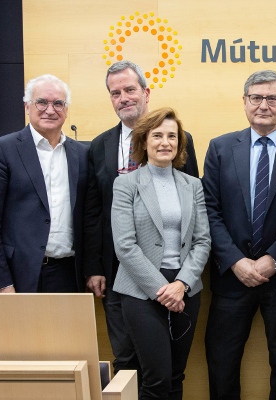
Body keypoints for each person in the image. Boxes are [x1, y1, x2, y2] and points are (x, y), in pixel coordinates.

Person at [84, 60, 199, 380]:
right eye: (115, 93)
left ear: (146, 92)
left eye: (130, 89)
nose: (123, 98)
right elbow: (93, 212)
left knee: (167, 367)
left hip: (172, 273)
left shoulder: (179, 139)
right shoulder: (99, 146)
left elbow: (193, 215)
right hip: (116, 271)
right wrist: (94, 266)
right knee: (125, 359)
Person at [202, 70, 276, 400]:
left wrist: (274, 260)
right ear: (245, 101)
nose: (263, 105)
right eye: (256, 97)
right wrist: (236, 261)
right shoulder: (220, 148)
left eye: (272, 98)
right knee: (222, 360)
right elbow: (209, 210)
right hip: (231, 277)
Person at [111, 107, 211, 400]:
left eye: (172, 136)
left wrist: (181, 285)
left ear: (180, 144)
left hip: (185, 289)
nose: (165, 142)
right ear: (143, 141)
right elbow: (125, 245)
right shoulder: (126, 184)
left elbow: (202, 241)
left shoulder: (193, 185)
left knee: (177, 376)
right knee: (156, 379)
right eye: (157, 135)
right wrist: (161, 290)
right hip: (141, 290)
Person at [0, 74, 88, 293]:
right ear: (27, 106)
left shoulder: (82, 154)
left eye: (58, 103)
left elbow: (89, 218)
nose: (50, 110)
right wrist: (0, 282)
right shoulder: (2, 150)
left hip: (69, 276)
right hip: (17, 276)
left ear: (66, 108)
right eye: (41, 102)